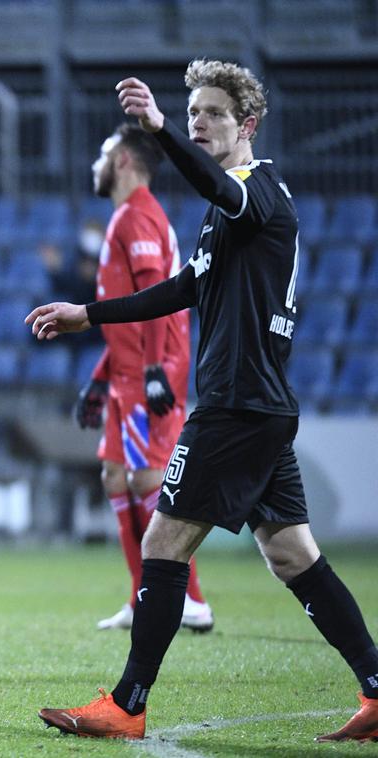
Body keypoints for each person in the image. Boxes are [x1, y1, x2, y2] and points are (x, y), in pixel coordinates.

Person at [28, 59, 378, 742]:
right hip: (260, 405)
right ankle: (377, 685)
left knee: (163, 540)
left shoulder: (258, 193)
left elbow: (220, 186)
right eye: (191, 114)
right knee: (292, 555)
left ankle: (128, 703)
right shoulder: (228, 212)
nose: (199, 123)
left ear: (247, 124)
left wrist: (158, 131)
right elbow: (181, 290)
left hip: (236, 405)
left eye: (212, 113)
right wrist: (88, 315)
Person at [79, 123, 213, 633]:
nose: (98, 162)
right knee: (116, 475)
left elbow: (157, 300)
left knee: (148, 478)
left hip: (148, 371)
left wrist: (156, 368)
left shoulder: (137, 217)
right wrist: (99, 377)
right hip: (127, 370)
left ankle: (191, 600)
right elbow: (126, 317)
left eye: (104, 152)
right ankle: (141, 599)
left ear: (123, 162)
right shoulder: (127, 217)